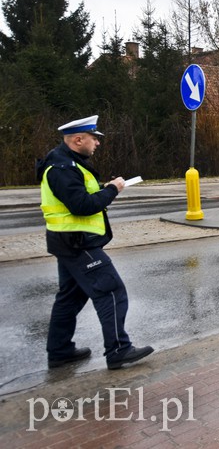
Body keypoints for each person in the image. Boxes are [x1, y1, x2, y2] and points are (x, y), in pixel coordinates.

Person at [35, 115, 153, 370]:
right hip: (78, 243)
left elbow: (80, 195)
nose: (97, 143)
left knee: (69, 298)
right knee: (111, 291)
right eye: (93, 138)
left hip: (68, 241)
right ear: (78, 140)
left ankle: (60, 351)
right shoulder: (63, 168)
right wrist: (111, 190)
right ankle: (119, 349)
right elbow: (82, 206)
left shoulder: (67, 163)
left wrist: (104, 188)